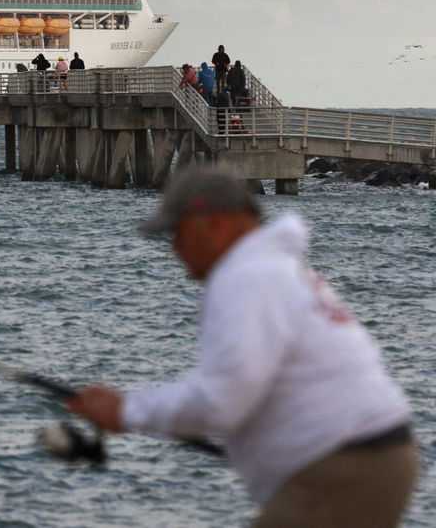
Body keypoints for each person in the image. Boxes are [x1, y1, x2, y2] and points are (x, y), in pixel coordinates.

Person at [66, 168, 416, 525]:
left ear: (215, 223)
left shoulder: (247, 277)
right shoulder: (274, 268)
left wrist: (125, 410)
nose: (173, 246)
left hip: (344, 468)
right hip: (368, 458)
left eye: (178, 231)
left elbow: (222, 401)